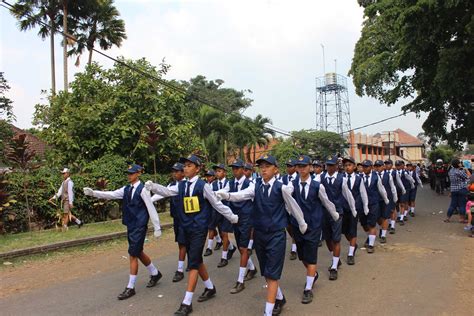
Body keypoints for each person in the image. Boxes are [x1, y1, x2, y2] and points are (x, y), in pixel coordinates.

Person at [146, 155, 238, 316]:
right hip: (185, 227)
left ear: (197, 168)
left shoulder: (203, 186)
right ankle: (210, 287)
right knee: (196, 259)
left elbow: (216, 204)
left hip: (199, 229)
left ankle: (187, 302)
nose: (185, 168)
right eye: (185, 166)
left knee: (193, 263)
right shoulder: (180, 185)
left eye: (189, 165)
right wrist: (153, 186)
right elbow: (167, 191)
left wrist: (231, 216)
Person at [217, 154, 307, 316]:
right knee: (266, 272)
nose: (264, 169)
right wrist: (227, 196)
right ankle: (279, 298)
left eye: (267, 166)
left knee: (272, 275)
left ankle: (268, 312)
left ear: (275, 169)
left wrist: (301, 223)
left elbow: (293, 207)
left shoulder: (282, 188)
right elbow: (242, 195)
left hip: (276, 236)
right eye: (261, 166)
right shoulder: (255, 186)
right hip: (259, 235)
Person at [83, 164, 162, 300]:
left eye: (132, 173)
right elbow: (111, 194)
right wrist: (93, 193)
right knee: (137, 251)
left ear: (138, 174)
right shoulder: (126, 189)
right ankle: (155, 273)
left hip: (139, 225)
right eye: (128, 173)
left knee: (132, 254)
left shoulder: (143, 190)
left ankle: (130, 287)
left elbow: (150, 207)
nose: (129, 175)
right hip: (130, 225)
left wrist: (157, 227)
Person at [285, 155, 339, 304]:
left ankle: (308, 289)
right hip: (297, 226)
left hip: (314, 225)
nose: (301, 169)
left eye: (304, 166)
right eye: (299, 166)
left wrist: (335, 215)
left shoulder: (317, 185)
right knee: (303, 256)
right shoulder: (292, 183)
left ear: (310, 167)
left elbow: (326, 202)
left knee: (311, 255)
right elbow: (286, 196)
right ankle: (313, 274)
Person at [216, 158, 258, 294]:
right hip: (235, 218)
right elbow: (224, 191)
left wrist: (227, 196)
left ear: (243, 170)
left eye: (237, 168)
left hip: (246, 219)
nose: (234, 171)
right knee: (241, 247)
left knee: (243, 248)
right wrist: (215, 195)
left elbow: (241, 195)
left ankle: (240, 281)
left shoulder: (250, 184)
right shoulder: (230, 183)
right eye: (233, 168)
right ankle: (252, 269)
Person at [320, 155, 356, 280]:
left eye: (331, 165)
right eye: (327, 165)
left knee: (336, 239)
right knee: (328, 239)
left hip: (337, 212)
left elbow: (348, 195)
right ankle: (335, 258)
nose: (329, 167)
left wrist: (353, 209)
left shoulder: (342, 179)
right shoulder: (320, 178)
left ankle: (334, 267)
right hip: (324, 212)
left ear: (336, 166)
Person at [151, 163, 187, 282]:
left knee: (184, 242)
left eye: (177, 171)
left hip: (187, 218)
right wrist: (149, 201)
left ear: (183, 172)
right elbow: (162, 193)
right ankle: (189, 264)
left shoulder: (186, 184)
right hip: (177, 218)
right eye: (173, 171)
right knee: (181, 242)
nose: (174, 174)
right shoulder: (171, 185)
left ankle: (180, 270)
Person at [341, 157, 368, 265]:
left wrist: (365, 206)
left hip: (355, 209)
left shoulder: (358, 179)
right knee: (344, 231)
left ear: (354, 166)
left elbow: (363, 193)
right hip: (343, 208)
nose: (347, 167)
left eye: (349, 165)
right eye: (345, 165)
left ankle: (351, 253)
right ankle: (353, 244)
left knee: (352, 230)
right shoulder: (341, 178)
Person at [360, 160, 389, 253]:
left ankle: (371, 245)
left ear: (371, 167)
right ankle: (370, 237)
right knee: (364, 224)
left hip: (373, 203)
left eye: (367, 166)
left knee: (372, 223)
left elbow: (381, 189)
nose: (365, 168)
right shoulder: (359, 177)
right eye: (363, 166)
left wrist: (386, 199)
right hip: (362, 204)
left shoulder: (376, 177)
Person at [374, 160, 397, 243]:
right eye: (376, 166)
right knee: (377, 217)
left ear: (383, 166)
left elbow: (392, 186)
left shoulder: (388, 175)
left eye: (379, 166)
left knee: (385, 216)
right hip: (376, 199)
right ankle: (382, 228)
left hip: (386, 199)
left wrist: (395, 197)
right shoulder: (373, 176)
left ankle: (383, 235)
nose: (378, 168)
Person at [282, 158, 299, 260]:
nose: (288, 168)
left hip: (296, 207)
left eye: (290, 166)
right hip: (286, 207)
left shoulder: (298, 178)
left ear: (295, 167)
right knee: (289, 227)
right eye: (287, 166)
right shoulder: (283, 178)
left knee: (296, 226)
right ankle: (295, 240)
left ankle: (294, 249)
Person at [444, 159, 471, 223]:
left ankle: (448, 218)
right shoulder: (460, 172)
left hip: (453, 190)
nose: (461, 164)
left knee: (452, 205)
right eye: (460, 163)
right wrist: (466, 169)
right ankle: (462, 219)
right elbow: (469, 177)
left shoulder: (450, 171)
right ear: (458, 164)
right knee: (462, 205)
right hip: (462, 189)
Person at [385, 159, 405, 233]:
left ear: (391, 165)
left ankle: (393, 226)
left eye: (388, 164)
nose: (387, 165)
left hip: (394, 193)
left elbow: (399, 181)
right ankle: (390, 223)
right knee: (388, 210)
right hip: (385, 194)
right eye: (386, 164)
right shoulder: (382, 173)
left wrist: (403, 189)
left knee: (393, 209)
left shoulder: (394, 172)